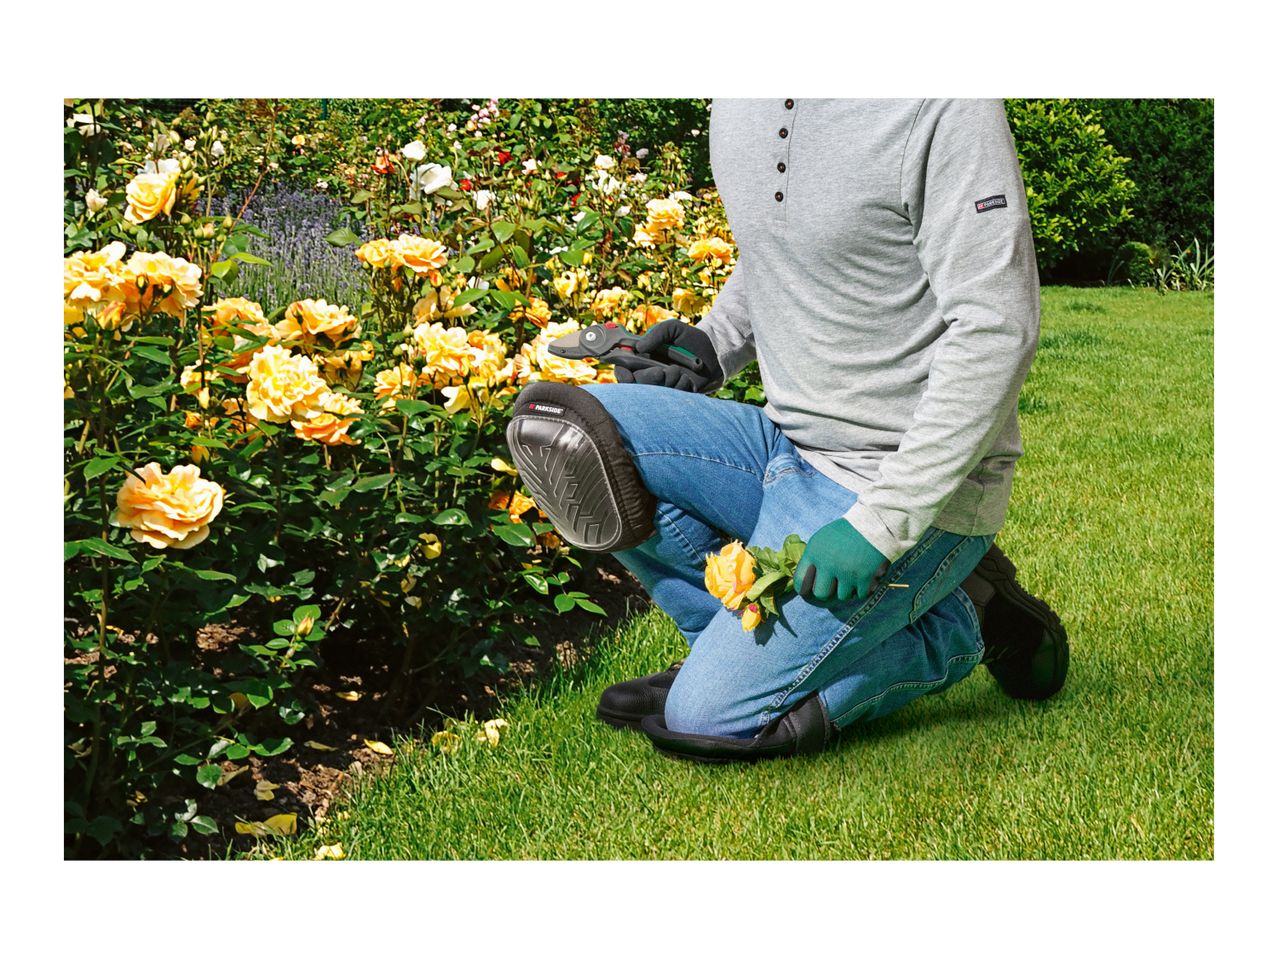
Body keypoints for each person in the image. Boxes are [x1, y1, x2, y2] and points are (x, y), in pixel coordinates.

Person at [505, 98, 1068, 763]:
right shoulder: (740, 101)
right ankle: (743, 656)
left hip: (899, 478)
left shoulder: (942, 104)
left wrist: (880, 524)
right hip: (784, 446)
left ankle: (960, 621)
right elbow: (781, 245)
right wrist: (712, 345)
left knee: (705, 719)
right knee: (569, 431)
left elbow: (998, 329)